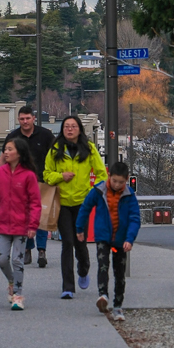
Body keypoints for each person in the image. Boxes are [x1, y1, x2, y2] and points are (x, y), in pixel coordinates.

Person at [43, 115, 107, 299]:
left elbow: (102, 175)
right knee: (67, 243)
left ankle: (84, 268)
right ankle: (68, 287)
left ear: (79, 129)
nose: (69, 129)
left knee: (80, 242)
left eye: (73, 126)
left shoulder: (89, 149)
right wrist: (60, 177)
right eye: (66, 127)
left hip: (82, 204)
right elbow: (47, 174)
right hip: (62, 203)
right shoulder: (56, 149)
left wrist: (92, 192)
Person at [77, 161, 141, 322]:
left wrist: (129, 239)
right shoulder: (99, 191)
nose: (117, 185)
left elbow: (135, 218)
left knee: (120, 273)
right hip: (103, 236)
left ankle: (118, 306)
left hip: (121, 239)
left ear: (126, 180)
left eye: (121, 182)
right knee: (103, 265)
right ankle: (103, 295)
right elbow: (85, 207)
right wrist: (79, 228)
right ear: (109, 177)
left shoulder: (129, 195)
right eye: (114, 181)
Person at [0, 137, 41, 311]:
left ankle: (18, 293)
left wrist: (33, 225)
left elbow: (35, 202)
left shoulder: (28, 175)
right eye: (5, 149)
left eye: (10, 149)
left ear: (19, 153)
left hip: (22, 226)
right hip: (3, 224)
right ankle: (11, 280)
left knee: (17, 260)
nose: (6, 153)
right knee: (2, 259)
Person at [5, 104, 56, 267]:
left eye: (28, 118)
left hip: (42, 181)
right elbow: (5, 158)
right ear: (18, 120)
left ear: (34, 118)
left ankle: (42, 250)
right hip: (19, 183)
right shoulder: (13, 137)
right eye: (22, 119)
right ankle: (27, 248)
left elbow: (56, 156)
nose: (25, 121)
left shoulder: (46, 135)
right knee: (24, 217)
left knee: (42, 216)